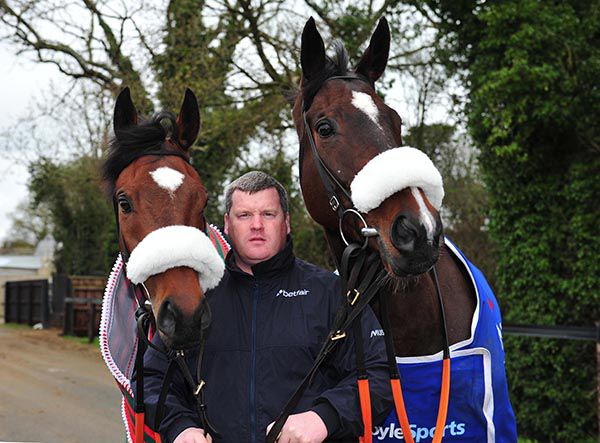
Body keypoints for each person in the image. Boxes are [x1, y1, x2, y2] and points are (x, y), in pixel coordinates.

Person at [138, 171, 391, 443]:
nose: (256, 225)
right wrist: (180, 428)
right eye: (244, 215)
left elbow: (379, 374)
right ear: (227, 224)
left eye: (268, 214)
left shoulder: (331, 294)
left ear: (287, 223)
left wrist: (324, 418)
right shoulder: (196, 299)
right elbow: (151, 378)